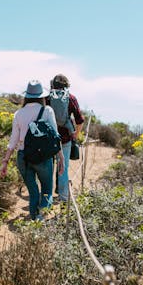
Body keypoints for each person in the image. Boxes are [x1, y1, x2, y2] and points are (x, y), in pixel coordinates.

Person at [0, 80, 64, 221]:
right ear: (42, 96)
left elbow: (13, 141)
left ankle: (34, 217)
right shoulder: (47, 110)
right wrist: (61, 157)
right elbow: (55, 135)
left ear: (27, 95)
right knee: (47, 189)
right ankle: (41, 216)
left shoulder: (19, 113)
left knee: (33, 191)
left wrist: (5, 161)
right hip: (44, 157)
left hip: (23, 156)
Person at [49, 74, 84, 203]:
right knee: (63, 167)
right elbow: (80, 120)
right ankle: (63, 198)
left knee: (48, 167)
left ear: (53, 84)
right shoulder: (71, 98)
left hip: (49, 138)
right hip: (65, 138)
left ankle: (47, 198)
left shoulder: (47, 97)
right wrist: (76, 134)